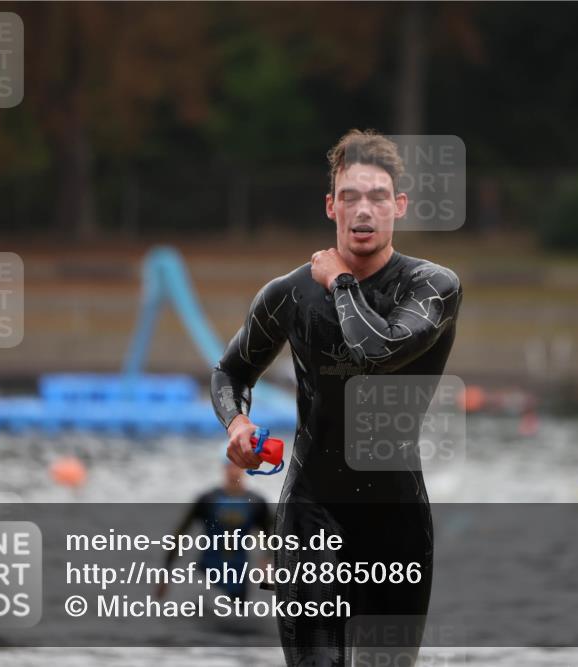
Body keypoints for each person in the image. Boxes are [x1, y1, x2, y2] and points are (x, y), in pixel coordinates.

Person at [210, 129, 463, 666]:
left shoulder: (432, 287)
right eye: (349, 197)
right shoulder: (288, 294)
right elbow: (231, 371)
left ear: (399, 205)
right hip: (311, 511)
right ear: (331, 206)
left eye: (376, 197)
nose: (363, 210)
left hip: (395, 520)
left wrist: (342, 282)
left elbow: (379, 352)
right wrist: (236, 423)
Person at [155, 457, 272, 603]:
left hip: (238, 575)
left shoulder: (256, 502)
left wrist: (267, 567)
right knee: (205, 617)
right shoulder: (208, 499)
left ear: (244, 469)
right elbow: (180, 534)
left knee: (236, 618)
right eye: (230, 466)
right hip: (207, 572)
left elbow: (271, 539)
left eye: (237, 466)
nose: (233, 471)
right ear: (224, 468)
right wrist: (165, 575)